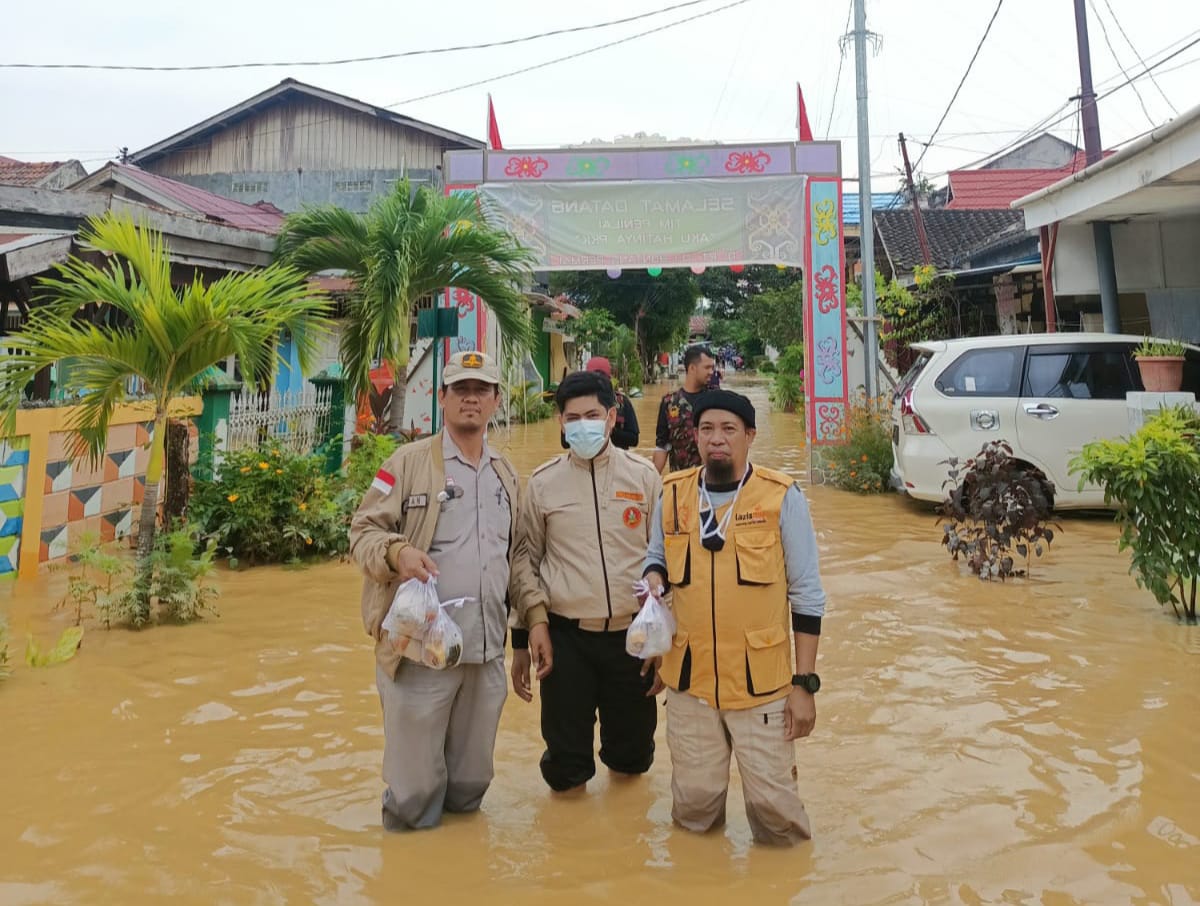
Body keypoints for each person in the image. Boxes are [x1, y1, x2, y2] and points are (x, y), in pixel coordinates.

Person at [642, 389, 826, 846]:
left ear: (750, 436)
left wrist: (804, 686)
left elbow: (807, 597)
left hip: (762, 691)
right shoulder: (672, 493)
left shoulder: (781, 497)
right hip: (690, 687)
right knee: (693, 814)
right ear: (696, 437)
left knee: (778, 821)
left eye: (728, 430)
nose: (716, 439)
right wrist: (652, 579)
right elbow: (655, 557)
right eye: (707, 430)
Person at [349, 350, 519, 831]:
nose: (471, 398)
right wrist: (396, 553)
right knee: (414, 792)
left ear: (495, 401)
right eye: (460, 389)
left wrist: (530, 629)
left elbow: (520, 559)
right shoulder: (403, 464)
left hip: (484, 654)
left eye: (481, 389)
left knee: (471, 783)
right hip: (418, 653)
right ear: (440, 398)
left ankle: (459, 877)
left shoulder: (506, 475)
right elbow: (361, 531)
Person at [511, 371, 663, 792]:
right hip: (565, 642)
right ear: (560, 422)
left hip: (633, 641)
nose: (583, 424)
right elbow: (525, 563)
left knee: (632, 761)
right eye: (573, 417)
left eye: (592, 414)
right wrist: (524, 638)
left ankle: (623, 850)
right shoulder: (542, 483)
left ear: (612, 417)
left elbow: (665, 561)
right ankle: (567, 852)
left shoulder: (645, 477)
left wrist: (664, 643)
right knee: (565, 766)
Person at [653, 345, 715, 474]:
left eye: (712, 368)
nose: (711, 372)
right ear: (692, 368)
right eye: (707, 367)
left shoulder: (716, 400)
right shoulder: (669, 403)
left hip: (711, 483)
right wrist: (651, 482)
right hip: (680, 483)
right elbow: (662, 445)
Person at [559, 356, 639, 449]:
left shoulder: (622, 402)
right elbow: (565, 443)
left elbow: (634, 439)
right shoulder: (577, 404)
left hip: (617, 458)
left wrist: (608, 430)